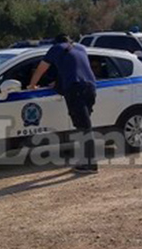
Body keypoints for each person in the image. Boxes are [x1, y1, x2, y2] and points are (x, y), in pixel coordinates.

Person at [29, 34, 99, 173]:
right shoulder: (80, 48)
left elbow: (41, 69)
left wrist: (32, 85)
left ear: (56, 42)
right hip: (91, 88)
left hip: (76, 89)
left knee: (84, 127)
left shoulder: (56, 48)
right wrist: (58, 84)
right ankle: (86, 160)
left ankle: (90, 164)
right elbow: (75, 67)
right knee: (84, 125)